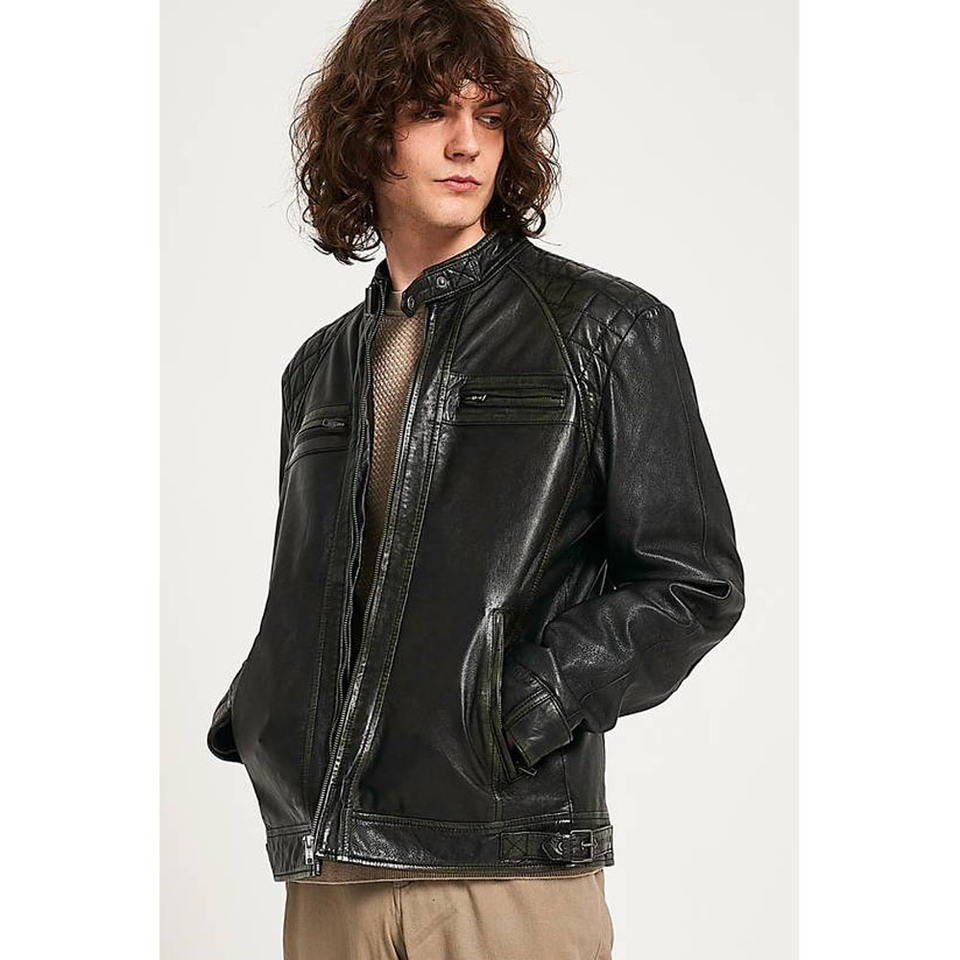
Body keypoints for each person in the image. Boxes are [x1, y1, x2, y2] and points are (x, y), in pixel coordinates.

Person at [207, 1, 745, 957]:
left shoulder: (604, 331)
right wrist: (261, 710)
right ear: (366, 135)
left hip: (507, 866)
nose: (467, 144)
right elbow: (323, 585)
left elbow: (694, 580)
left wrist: (527, 705)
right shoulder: (319, 369)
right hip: (329, 871)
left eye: (489, 117)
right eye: (431, 112)